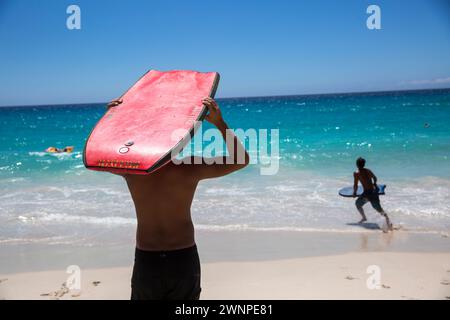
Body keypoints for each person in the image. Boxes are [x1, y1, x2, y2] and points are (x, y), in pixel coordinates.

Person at [107, 97, 249, 300]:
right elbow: (241, 160)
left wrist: (113, 120)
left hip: (148, 259)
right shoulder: (188, 169)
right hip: (183, 258)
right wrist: (219, 123)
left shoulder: (132, 171)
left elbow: (95, 158)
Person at [352, 157, 392, 231]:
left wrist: (354, 193)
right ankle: (388, 222)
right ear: (364, 164)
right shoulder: (368, 170)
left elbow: (355, 185)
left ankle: (364, 217)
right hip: (374, 193)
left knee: (358, 204)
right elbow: (375, 178)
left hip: (367, 194)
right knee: (379, 209)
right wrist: (375, 184)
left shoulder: (356, 173)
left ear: (356, 164)